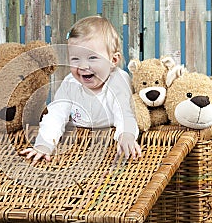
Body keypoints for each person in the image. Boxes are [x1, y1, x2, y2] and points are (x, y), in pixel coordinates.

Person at [20, 16, 141, 163]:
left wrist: (126, 135)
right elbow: (55, 114)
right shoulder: (71, 83)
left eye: (92, 58)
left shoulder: (117, 81)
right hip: (80, 142)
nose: (83, 66)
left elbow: (125, 113)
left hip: (108, 138)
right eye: (75, 59)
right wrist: (44, 145)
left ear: (113, 60)